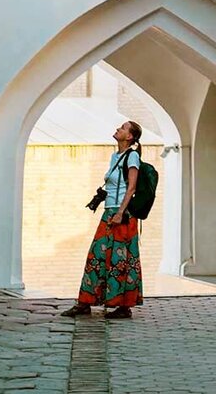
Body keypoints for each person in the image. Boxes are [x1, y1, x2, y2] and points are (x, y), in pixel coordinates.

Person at [61, 121, 145, 318]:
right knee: (97, 256)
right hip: (109, 212)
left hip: (123, 214)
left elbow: (131, 188)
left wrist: (120, 213)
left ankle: (123, 307)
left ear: (129, 137)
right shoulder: (115, 156)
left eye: (122, 128)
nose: (118, 129)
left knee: (120, 260)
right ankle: (85, 302)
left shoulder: (132, 156)